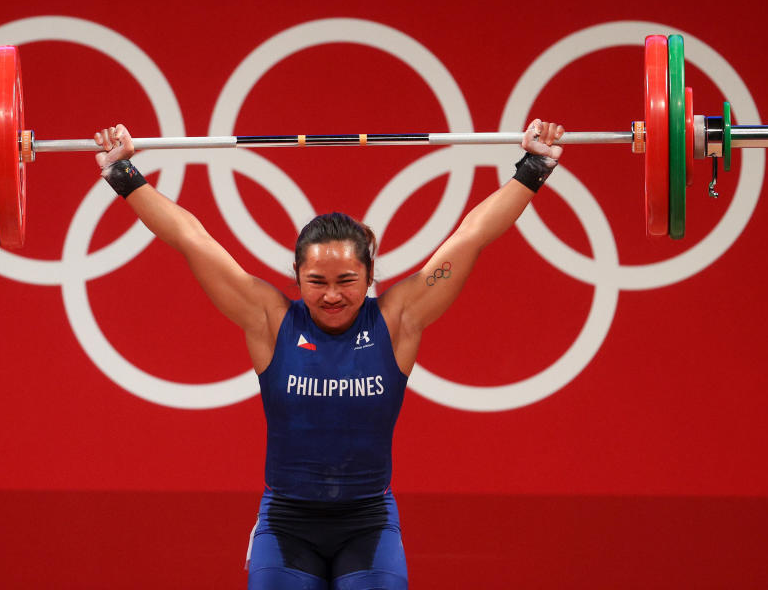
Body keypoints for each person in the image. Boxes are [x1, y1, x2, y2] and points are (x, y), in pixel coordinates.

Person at [93, 119, 564, 590]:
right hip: (286, 524)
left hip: (368, 524)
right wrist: (124, 176)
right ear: (297, 276)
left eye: (346, 281)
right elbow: (191, 238)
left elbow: (472, 235)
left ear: (371, 275)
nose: (332, 295)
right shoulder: (270, 321)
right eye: (316, 282)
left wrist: (533, 167)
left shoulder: (398, 321)